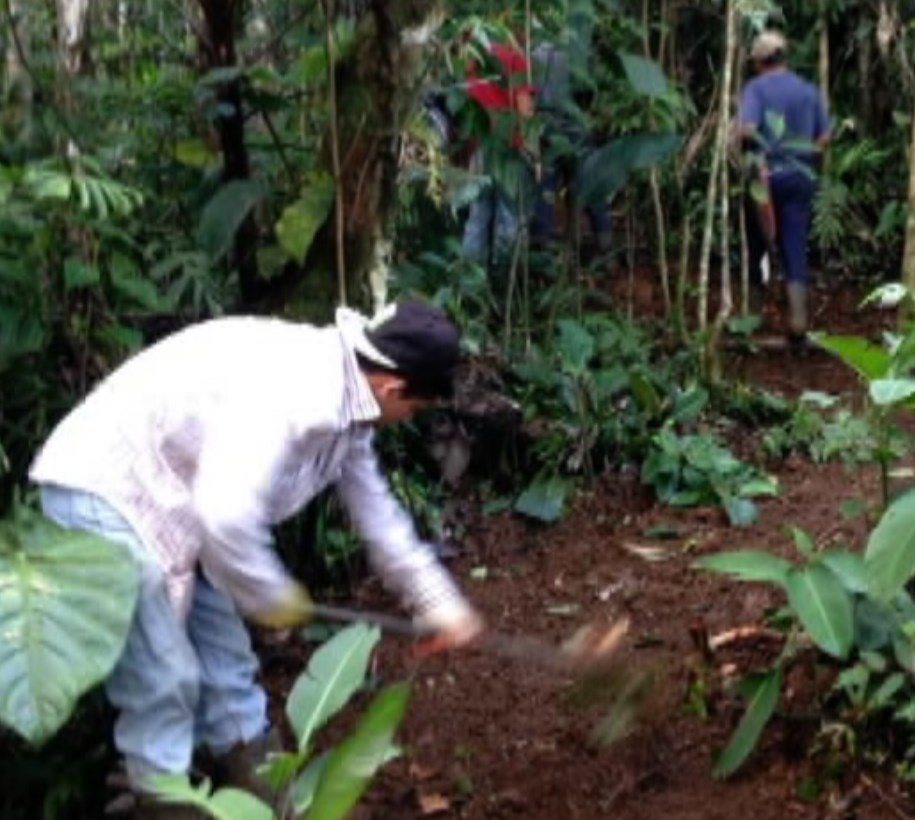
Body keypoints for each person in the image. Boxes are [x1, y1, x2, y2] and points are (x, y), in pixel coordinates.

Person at [30, 301, 483, 818]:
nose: (409, 419)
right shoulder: (296, 391)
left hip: (180, 509)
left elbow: (378, 517)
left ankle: (267, 801)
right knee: (164, 677)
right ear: (394, 388)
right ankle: (162, 803)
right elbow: (225, 514)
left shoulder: (349, 411)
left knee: (228, 664)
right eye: (416, 409)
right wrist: (268, 594)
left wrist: (442, 605)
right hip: (107, 490)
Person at [738, 30, 831, 352]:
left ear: (760, 62)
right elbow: (824, 137)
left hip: (764, 176)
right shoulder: (807, 90)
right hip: (800, 174)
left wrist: (749, 152)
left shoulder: (756, 89)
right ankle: (798, 319)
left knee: (756, 240)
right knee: (794, 240)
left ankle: (751, 315)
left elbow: (747, 129)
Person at [530, 40, 612, 253]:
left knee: (546, 186)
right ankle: (604, 240)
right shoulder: (580, 53)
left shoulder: (535, 53)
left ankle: (542, 243)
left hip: (547, 127)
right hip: (578, 128)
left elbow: (531, 93)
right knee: (590, 181)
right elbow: (592, 91)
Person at [461, 43, 537, 266]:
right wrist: (533, 151)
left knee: (477, 218)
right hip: (509, 149)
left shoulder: (474, 56)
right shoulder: (515, 59)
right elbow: (525, 109)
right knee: (510, 219)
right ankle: (504, 283)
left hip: (480, 147)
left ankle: (469, 284)